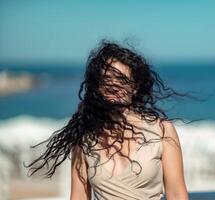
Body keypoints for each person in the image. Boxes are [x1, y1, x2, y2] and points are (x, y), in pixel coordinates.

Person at [24, 39, 194, 200]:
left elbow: (177, 194)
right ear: (97, 86)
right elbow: (79, 197)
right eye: (107, 79)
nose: (114, 85)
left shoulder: (162, 130)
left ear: (135, 87)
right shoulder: (84, 138)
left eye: (122, 79)